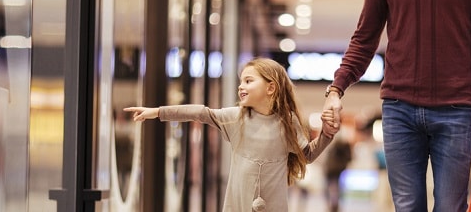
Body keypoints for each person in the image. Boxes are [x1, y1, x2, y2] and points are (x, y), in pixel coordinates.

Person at [321, 0, 471, 211]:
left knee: (451, 207)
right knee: (407, 208)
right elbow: (364, 38)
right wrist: (336, 89)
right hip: (399, 110)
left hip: (455, 110)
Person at [125, 58, 340, 211]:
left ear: (271, 88)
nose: (241, 86)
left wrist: (326, 135)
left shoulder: (288, 122)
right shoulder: (235, 118)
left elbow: (307, 155)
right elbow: (201, 113)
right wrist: (158, 112)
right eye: (240, 81)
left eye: (248, 81)